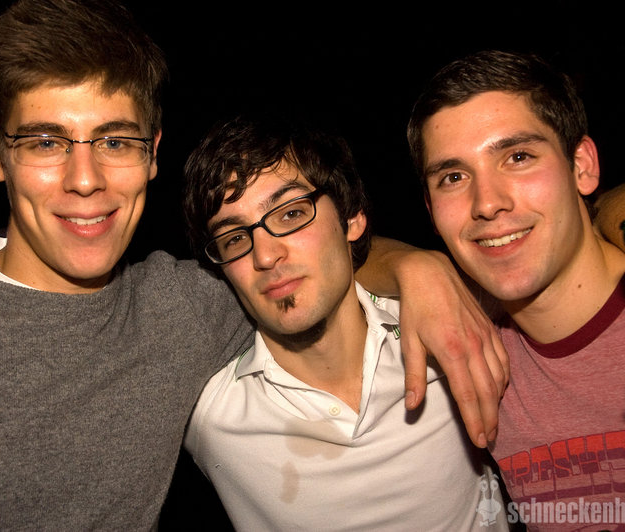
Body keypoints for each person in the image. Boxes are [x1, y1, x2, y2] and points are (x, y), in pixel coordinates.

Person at [0, 0, 510, 528]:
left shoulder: (185, 305)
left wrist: (421, 269)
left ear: (152, 152)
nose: (85, 180)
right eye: (46, 142)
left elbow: (320, 265)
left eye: (116, 141)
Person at [179, 113, 508, 530]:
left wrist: (419, 264)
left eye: (290, 214)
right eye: (234, 238)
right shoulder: (209, 411)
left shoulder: (448, 327)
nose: (265, 255)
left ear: (351, 219)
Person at [406, 49, 625, 529]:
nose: (487, 203)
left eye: (518, 157)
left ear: (582, 166)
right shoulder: (465, 349)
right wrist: (411, 266)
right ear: (431, 212)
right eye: (453, 177)